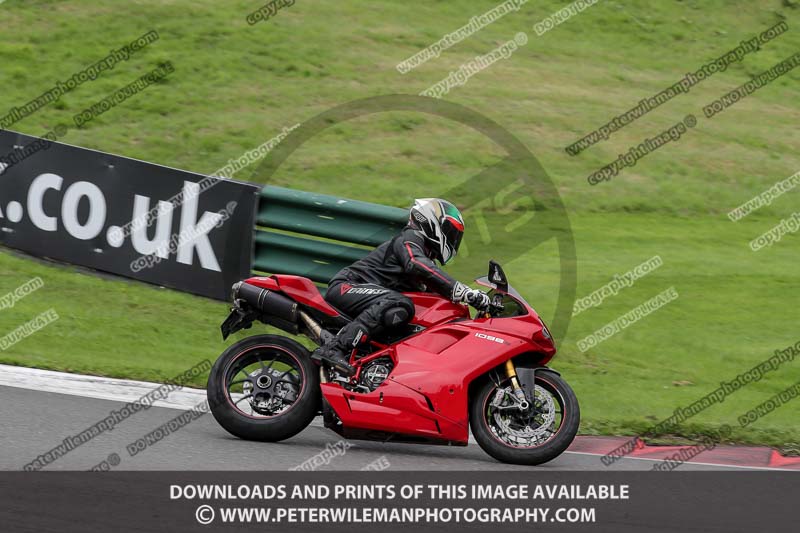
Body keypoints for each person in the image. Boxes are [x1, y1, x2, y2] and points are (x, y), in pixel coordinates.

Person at [314, 198, 492, 376]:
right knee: (398, 302)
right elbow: (415, 263)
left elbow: (435, 297)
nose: (453, 239)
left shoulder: (425, 256)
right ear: (431, 221)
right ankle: (335, 348)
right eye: (450, 232)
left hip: (370, 297)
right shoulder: (410, 238)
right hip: (348, 287)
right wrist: (464, 291)